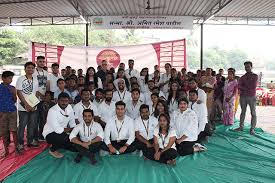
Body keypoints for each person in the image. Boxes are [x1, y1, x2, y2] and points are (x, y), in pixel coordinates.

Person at [43, 92, 76, 158]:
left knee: (74, 148)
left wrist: (75, 131)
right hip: (51, 133)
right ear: (58, 101)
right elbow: (58, 130)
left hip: (64, 132)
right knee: (63, 137)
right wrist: (71, 130)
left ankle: (60, 144)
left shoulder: (69, 107)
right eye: (62, 101)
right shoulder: (52, 111)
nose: (64, 103)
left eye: (66, 101)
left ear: (69, 101)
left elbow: (72, 122)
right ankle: (52, 149)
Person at [16, 62, 40, 151]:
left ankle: (30, 141)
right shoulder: (20, 79)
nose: (30, 69)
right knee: (22, 125)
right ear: (25, 69)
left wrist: (34, 104)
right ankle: (20, 143)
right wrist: (26, 104)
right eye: (28, 68)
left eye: (32, 68)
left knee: (32, 125)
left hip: (33, 106)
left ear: (34, 69)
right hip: (23, 107)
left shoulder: (35, 79)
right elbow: (19, 92)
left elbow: (36, 93)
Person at [235, 61, 258, 135]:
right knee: (243, 112)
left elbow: (253, 86)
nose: (246, 68)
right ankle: (241, 127)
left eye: (248, 66)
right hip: (243, 96)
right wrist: (245, 87)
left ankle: (252, 129)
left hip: (251, 96)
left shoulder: (255, 76)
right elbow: (239, 86)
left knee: (253, 113)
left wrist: (243, 87)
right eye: (245, 67)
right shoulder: (243, 77)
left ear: (251, 67)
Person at [0, 71, 20, 156]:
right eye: (9, 78)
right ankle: (6, 150)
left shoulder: (12, 88)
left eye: (11, 78)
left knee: (14, 131)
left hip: (12, 111)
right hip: (2, 113)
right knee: (4, 132)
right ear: (3, 78)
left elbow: (15, 100)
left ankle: (16, 148)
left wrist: (13, 94)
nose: (11, 80)